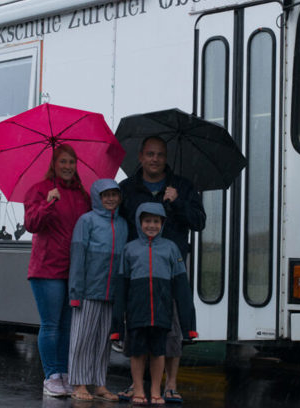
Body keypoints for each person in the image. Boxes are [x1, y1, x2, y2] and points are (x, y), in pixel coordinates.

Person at [119, 135, 205, 403]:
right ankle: (138, 386)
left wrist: (177, 202)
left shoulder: (183, 186)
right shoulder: (128, 188)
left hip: (172, 266)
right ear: (141, 156)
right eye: (150, 154)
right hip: (139, 269)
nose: (155, 159)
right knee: (140, 327)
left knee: (172, 327)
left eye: (160, 155)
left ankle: (170, 383)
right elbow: (119, 224)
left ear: (166, 158)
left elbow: (199, 222)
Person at [111, 202, 197, 406]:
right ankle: (139, 389)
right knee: (137, 352)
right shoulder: (130, 249)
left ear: (162, 223)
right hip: (136, 311)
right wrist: (117, 325)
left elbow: (182, 289)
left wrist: (189, 326)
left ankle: (156, 390)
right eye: (147, 221)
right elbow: (121, 289)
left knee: (159, 352)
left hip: (162, 311)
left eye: (156, 221)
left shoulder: (170, 248)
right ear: (139, 222)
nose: (151, 225)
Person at [23, 144, 91, 397]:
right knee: (51, 325)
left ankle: (64, 373)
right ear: (54, 163)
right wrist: (48, 203)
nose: (68, 167)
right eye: (63, 161)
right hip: (47, 269)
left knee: (67, 325)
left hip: (73, 271)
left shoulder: (82, 195)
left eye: (72, 162)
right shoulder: (40, 190)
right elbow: (31, 224)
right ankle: (51, 375)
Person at [67, 179, 128, 402]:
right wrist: (75, 293)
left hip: (111, 294)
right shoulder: (86, 221)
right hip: (88, 292)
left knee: (103, 341)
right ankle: (79, 384)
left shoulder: (123, 224)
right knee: (82, 338)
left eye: (115, 194)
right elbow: (78, 256)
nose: (111, 199)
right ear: (97, 198)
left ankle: (100, 383)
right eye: (106, 195)